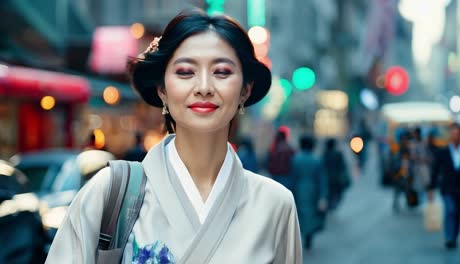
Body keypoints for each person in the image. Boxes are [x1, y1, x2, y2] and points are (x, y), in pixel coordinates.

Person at [46, 9, 302, 263]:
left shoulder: (275, 204)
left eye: (222, 72)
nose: (204, 87)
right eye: (185, 72)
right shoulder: (109, 195)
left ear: (245, 90)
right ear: (162, 89)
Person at [428, 123, 460, 250]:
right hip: (447, 187)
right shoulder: (443, 152)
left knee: (458, 213)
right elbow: (435, 170)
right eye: (453, 133)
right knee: (450, 210)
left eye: (458, 134)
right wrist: (431, 187)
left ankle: (454, 236)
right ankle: (449, 237)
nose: (455, 136)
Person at [291, 135, 327, 251]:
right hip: (313, 190)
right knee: (311, 214)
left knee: (299, 214)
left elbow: (292, 178)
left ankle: (300, 236)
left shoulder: (295, 159)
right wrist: (323, 196)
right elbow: (322, 179)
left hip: (299, 189)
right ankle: (309, 237)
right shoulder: (317, 160)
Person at [323, 138, 350, 211]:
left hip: (328, 177)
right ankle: (333, 205)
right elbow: (343, 166)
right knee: (337, 193)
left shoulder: (325, 154)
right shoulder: (338, 154)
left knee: (329, 193)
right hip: (337, 177)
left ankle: (330, 205)